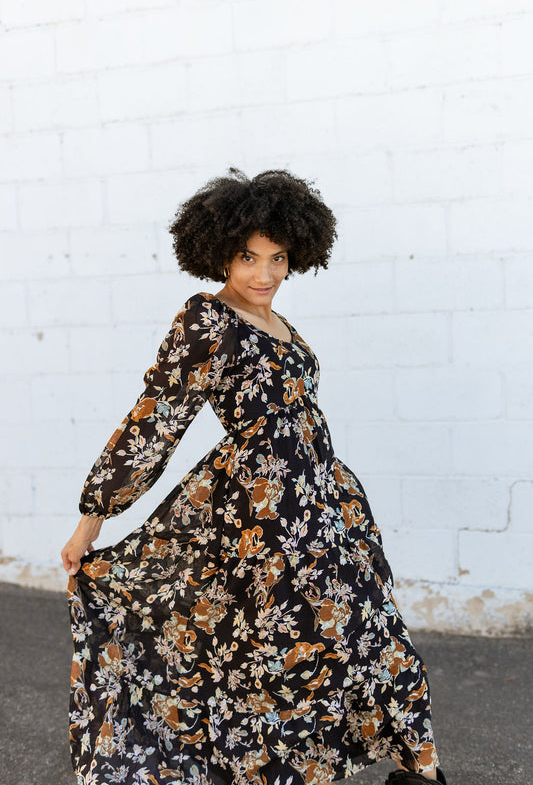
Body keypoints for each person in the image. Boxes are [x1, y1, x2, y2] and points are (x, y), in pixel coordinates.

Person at [62, 168, 447, 785]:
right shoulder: (205, 321)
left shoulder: (281, 324)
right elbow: (156, 419)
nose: (264, 275)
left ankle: (414, 771)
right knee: (284, 670)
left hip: (324, 511)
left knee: (381, 646)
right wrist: (92, 519)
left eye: (278, 258)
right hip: (264, 520)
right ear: (220, 253)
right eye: (248, 257)